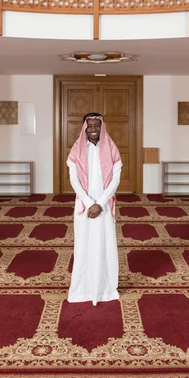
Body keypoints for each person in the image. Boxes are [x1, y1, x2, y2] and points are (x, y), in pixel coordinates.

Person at [67, 112, 122, 306]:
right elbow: (74, 179)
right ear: (84, 128)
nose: (93, 130)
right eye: (89, 126)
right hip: (84, 206)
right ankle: (82, 289)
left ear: (102, 127)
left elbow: (115, 179)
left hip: (105, 206)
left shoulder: (111, 149)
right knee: (84, 245)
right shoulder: (77, 150)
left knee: (104, 244)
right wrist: (90, 204)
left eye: (96, 126)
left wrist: (100, 202)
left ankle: (105, 288)